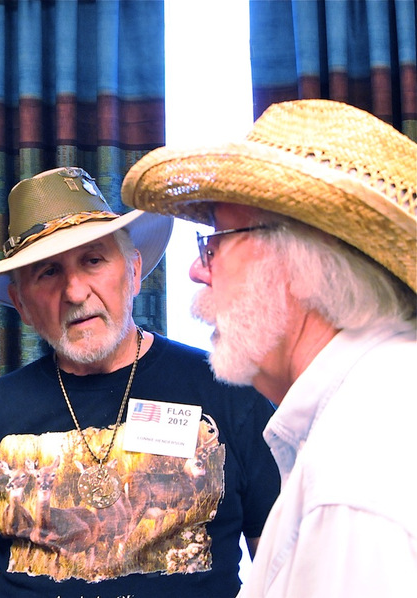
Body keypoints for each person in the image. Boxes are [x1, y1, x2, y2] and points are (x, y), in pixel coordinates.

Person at [0, 167, 280, 597]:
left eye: (93, 260)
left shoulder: (227, 390)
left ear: (133, 271)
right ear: (21, 303)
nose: (75, 292)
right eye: (48, 272)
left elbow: (285, 570)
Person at [120, 99, 417, 596]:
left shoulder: (352, 480)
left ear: (296, 258)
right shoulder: (372, 406)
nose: (197, 270)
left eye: (215, 243)